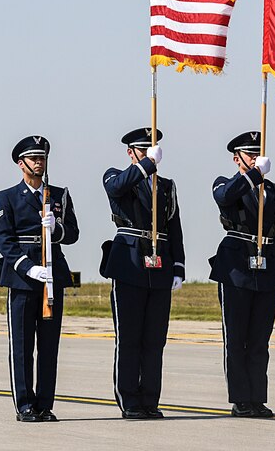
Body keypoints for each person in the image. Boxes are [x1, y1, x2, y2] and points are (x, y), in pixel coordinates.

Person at [101, 127, 185, 419]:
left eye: (152, 149)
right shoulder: (116, 176)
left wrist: (178, 266)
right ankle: (129, 399)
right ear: (131, 153)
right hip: (129, 264)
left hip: (159, 264)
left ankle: (150, 398)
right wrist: (145, 165)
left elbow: (173, 227)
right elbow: (116, 189)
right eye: (142, 149)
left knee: (154, 338)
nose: (150, 153)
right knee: (129, 337)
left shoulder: (166, 185)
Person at [0, 135, 79, 423]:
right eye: (33, 158)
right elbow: (4, 240)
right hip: (22, 278)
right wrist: (28, 267)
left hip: (53, 275)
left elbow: (74, 234)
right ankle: (25, 405)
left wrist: (56, 230)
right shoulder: (7, 197)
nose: (39, 162)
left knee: (49, 345)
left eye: (42, 157)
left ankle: (44, 404)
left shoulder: (58, 195)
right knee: (21, 345)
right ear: (21, 164)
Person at [210, 131, 275, 418]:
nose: (256, 158)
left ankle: (257, 397)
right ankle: (240, 398)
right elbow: (224, 197)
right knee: (236, 338)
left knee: (259, 339)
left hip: (267, 267)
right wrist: (254, 175)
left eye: (258, 154)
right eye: (250, 154)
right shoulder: (226, 183)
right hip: (236, 268)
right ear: (237, 159)